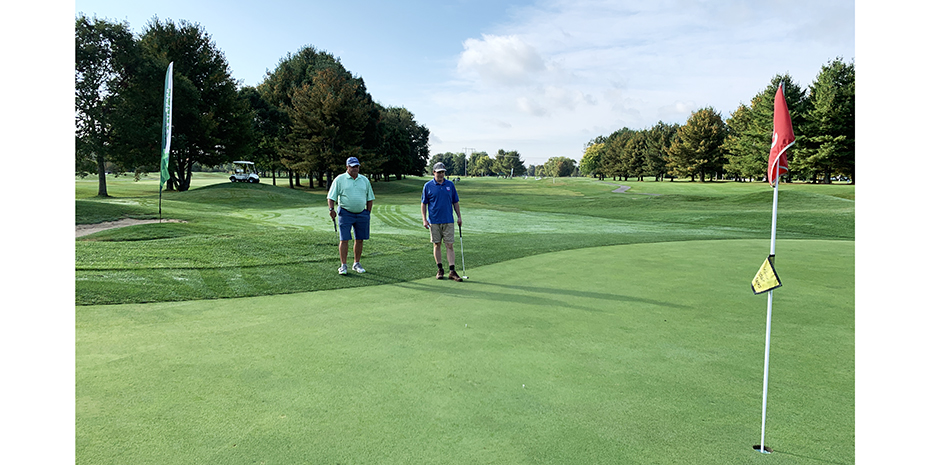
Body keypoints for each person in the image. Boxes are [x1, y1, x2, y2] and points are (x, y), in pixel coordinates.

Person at [327, 157, 375, 275]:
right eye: (352, 166)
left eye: (357, 166)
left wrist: (367, 212)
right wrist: (331, 209)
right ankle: (343, 265)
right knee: (344, 239)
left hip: (361, 214)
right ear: (347, 167)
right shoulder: (340, 179)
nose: (355, 169)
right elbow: (331, 197)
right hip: (345, 213)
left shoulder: (364, 180)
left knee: (359, 239)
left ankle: (356, 263)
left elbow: (370, 198)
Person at [421, 162, 463, 281]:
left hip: (448, 220)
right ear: (434, 172)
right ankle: (440, 269)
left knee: (449, 245)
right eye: (438, 172)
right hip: (434, 220)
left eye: (443, 172)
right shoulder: (428, 186)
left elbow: (455, 201)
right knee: (437, 244)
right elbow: (423, 204)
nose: (441, 174)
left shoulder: (450, 185)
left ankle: (452, 271)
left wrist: (459, 216)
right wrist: (424, 219)